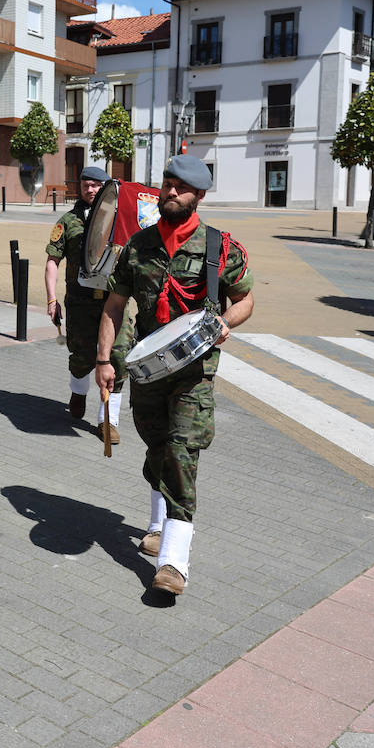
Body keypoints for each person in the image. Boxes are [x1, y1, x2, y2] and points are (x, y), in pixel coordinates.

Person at [95, 155, 254, 597]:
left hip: (194, 373)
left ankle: (173, 563)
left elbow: (245, 299)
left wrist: (227, 322)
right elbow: (114, 304)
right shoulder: (138, 246)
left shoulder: (220, 248)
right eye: (167, 183)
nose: (169, 192)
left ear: (198, 196)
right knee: (158, 447)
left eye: (180, 188)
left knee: (182, 452)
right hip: (148, 370)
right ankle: (157, 525)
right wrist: (105, 360)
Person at [44, 165, 132, 441]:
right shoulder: (68, 222)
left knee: (117, 357)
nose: (91, 190)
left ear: (106, 189)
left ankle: (108, 421)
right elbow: (52, 261)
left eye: (96, 185)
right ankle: (78, 392)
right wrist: (52, 299)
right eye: (86, 185)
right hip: (80, 302)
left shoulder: (122, 221)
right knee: (81, 356)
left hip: (113, 301)